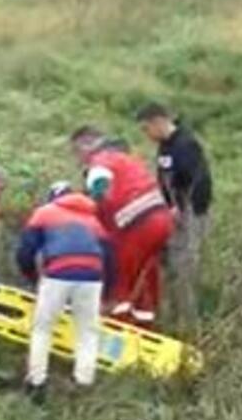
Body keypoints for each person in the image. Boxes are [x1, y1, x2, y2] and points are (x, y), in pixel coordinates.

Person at [17, 181, 112, 402]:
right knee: (87, 332)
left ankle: (36, 382)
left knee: (43, 329)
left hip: (58, 272)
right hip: (92, 275)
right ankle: (83, 383)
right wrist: (109, 291)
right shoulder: (93, 221)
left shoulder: (44, 213)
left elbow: (26, 250)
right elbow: (109, 257)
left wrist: (32, 277)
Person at [70, 126, 174, 328]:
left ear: (87, 145)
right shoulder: (128, 160)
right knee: (145, 278)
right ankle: (145, 326)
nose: (78, 158)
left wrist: (91, 201)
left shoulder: (101, 159)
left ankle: (116, 329)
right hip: (161, 218)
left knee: (119, 280)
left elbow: (99, 182)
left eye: (77, 151)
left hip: (135, 224)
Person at [136, 102, 213, 324]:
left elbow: (200, 182)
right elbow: (165, 180)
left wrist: (184, 209)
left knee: (183, 269)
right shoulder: (165, 146)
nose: (146, 134)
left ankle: (187, 323)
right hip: (169, 216)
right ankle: (167, 316)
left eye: (146, 128)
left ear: (158, 122)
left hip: (190, 216)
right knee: (165, 265)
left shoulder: (186, 145)